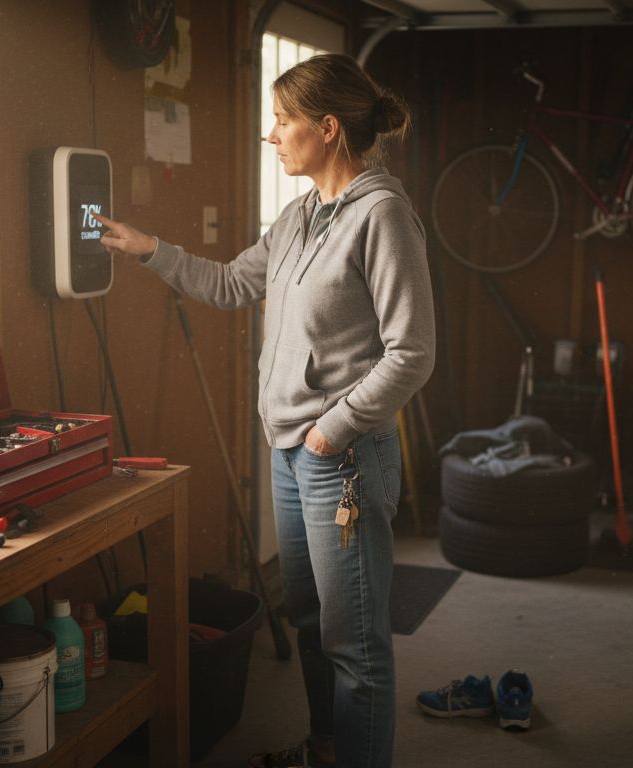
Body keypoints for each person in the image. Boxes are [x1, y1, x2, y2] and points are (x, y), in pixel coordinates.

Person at [98, 53, 434, 768]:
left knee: (356, 643)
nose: (271, 134)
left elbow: (412, 352)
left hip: (342, 456)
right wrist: (149, 250)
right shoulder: (299, 215)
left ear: (329, 128)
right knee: (310, 620)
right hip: (291, 452)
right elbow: (228, 284)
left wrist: (330, 431)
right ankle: (327, 749)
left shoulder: (383, 216)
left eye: (283, 121)